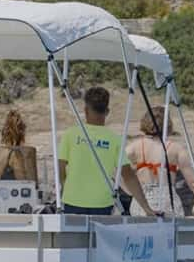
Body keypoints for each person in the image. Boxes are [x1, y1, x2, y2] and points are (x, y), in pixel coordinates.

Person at [58, 87, 158, 216]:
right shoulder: (114, 139)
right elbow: (128, 176)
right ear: (107, 112)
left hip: (73, 200)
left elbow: (60, 169)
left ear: (85, 110)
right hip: (102, 203)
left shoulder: (70, 135)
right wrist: (146, 208)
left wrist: (66, 189)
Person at [125, 107, 194, 216]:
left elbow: (116, 169)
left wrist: (128, 190)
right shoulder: (176, 148)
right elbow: (193, 182)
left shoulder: (134, 147)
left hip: (142, 198)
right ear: (168, 124)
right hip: (167, 198)